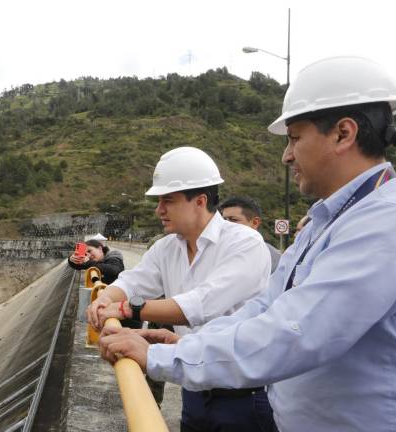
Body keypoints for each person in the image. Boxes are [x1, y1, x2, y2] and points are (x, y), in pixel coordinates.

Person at [98, 56, 396, 432]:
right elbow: (266, 308)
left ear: (343, 134)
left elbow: (293, 332)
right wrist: (181, 346)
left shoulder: (392, 222)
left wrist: (161, 356)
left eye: (294, 138)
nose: (287, 155)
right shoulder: (331, 220)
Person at [87, 146, 274, 431]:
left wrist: (125, 308)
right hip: (195, 388)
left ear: (199, 201)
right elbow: (134, 280)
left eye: (168, 200)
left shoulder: (244, 243)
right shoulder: (167, 248)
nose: (158, 209)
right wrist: (106, 297)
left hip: (242, 394)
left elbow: (201, 304)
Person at [220, 196, 282, 272]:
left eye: (233, 220)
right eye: (224, 220)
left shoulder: (272, 256)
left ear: (255, 222)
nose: (226, 225)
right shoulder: (217, 250)